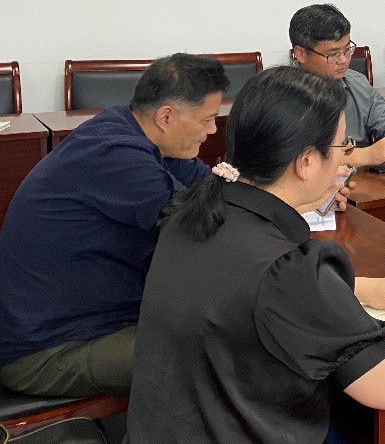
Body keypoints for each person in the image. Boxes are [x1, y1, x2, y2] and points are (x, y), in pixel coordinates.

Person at [113, 66, 385, 444]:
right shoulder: (288, 271)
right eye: (342, 146)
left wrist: (354, 288)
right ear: (305, 162)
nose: (346, 159)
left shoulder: (196, 209)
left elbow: (239, 288)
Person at [0, 54, 229, 397]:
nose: (212, 130)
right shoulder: (114, 154)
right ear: (166, 117)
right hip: (47, 350)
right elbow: (201, 226)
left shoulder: (140, 133)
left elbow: (214, 193)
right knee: (222, 350)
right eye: (207, 119)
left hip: (100, 318)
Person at [290, 3, 385, 168]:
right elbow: (298, 161)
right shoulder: (281, 94)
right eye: (333, 54)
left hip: (361, 180)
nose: (344, 60)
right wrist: (366, 155)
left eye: (347, 49)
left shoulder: (357, 83)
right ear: (301, 53)